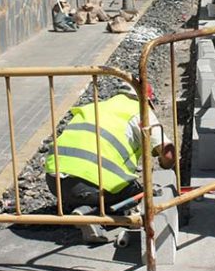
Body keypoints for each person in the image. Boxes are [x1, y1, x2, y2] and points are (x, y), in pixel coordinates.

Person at [43, 82, 175, 214]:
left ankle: (75, 205)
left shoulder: (94, 107)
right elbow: (168, 155)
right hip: (89, 185)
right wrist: (165, 164)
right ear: (147, 100)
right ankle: (89, 214)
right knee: (135, 192)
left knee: (86, 188)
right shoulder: (140, 111)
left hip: (54, 182)